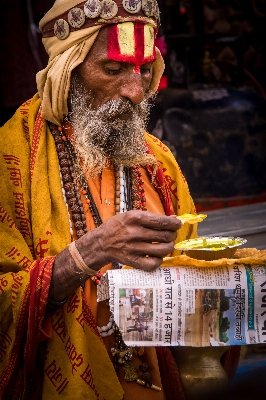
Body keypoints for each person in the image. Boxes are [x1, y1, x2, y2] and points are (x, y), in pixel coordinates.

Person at [0, 0, 239, 399]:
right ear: (67, 70)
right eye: (112, 70)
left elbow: (196, 276)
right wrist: (85, 255)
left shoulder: (157, 160)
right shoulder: (11, 157)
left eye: (145, 70)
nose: (134, 91)